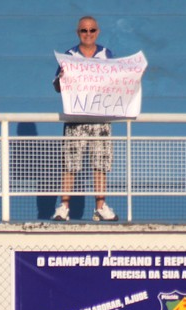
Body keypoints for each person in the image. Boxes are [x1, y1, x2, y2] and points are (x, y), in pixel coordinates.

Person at [51, 16, 118, 221]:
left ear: (97, 32)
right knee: (70, 163)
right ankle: (64, 207)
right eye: (84, 31)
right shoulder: (69, 56)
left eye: (91, 30)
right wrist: (61, 79)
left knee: (100, 163)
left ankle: (100, 207)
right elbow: (57, 87)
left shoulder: (107, 55)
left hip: (100, 118)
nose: (88, 34)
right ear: (77, 33)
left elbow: (117, 82)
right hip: (76, 118)